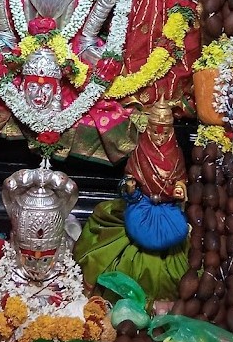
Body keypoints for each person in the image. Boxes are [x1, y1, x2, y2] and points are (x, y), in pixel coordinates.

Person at [74, 97, 189, 303]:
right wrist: (130, 188)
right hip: (141, 205)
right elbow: (129, 178)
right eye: (155, 131)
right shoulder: (140, 152)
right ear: (148, 129)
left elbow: (180, 178)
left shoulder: (177, 154)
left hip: (167, 209)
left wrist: (179, 189)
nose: (159, 138)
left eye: (165, 132)